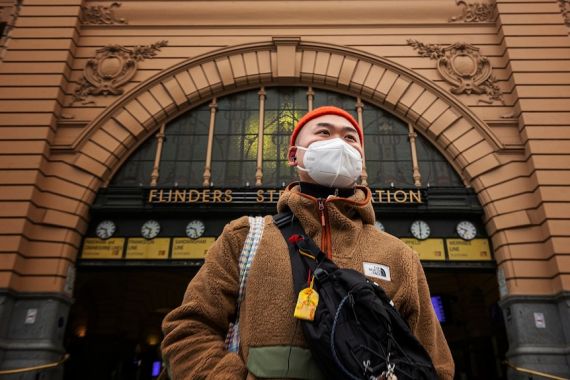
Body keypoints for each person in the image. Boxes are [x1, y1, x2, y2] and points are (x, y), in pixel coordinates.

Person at [161, 106, 455, 379]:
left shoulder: (399, 255)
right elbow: (189, 330)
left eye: (350, 138)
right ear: (294, 155)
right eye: (324, 133)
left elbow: (434, 362)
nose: (339, 143)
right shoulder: (244, 237)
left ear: (361, 160)